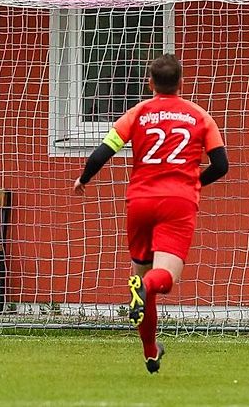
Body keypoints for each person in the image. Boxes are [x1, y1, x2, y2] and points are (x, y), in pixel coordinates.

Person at [72, 53, 229, 374]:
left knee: (142, 277)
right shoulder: (200, 116)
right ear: (181, 82)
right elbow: (222, 165)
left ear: (150, 82)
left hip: (140, 201)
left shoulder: (137, 113)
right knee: (163, 280)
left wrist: (84, 178)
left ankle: (150, 352)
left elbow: (103, 152)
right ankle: (144, 289)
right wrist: (191, 181)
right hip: (178, 202)